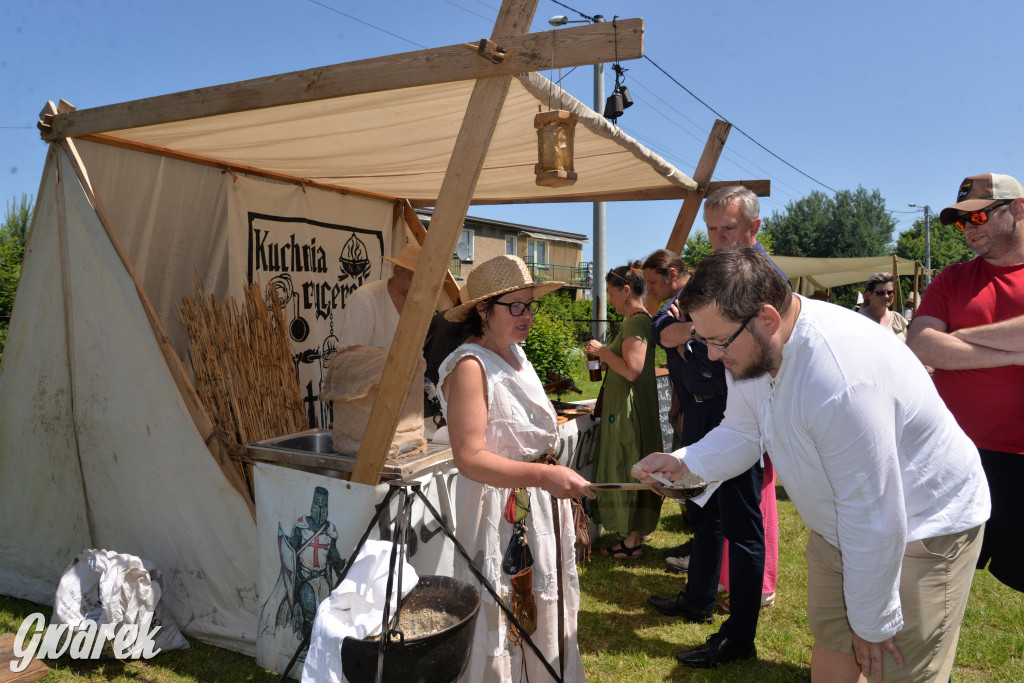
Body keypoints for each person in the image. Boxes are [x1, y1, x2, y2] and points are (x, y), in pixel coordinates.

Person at [634, 247, 990, 682]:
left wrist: (873, 623)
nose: (709, 356)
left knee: (898, 669)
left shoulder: (841, 377)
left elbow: (873, 514)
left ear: (767, 319)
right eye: (702, 339)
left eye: (717, 341)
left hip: (924, 523)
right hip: (843, 525)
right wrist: (683, 462)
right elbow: (744, 431)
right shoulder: (752, 344)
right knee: (834, 655)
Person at [437, 254, 594, 682]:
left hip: (535, 502)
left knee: (544, 606)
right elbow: (469, 458)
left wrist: (546, 476)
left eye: (530, 305)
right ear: (483, 310)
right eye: (516, 306)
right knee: (507, 610)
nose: (526, 315)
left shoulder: (517, 355)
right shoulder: (470, 366)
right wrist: (543, 475)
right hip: (499, 510)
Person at [645, 186, 779, 671]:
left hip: (739, 413)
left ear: (753, 229)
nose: (719, 238)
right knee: (704, 514)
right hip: (706, 411)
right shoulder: (711, 273)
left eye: (729, 229)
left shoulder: (763, 282)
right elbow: (663, 329)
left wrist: (693, 333)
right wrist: (690, 332)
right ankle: (699, 597)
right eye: (713, 229)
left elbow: (687, 332)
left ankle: (740, 632)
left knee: (742, 525)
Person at [908, 172, 1024, 594]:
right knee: (935, 575)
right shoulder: (954, 278)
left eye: (978, 218)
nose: (968, 230)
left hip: (1019, 459)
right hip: (954, 454)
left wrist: (960, 337)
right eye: (962, 222)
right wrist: (1012, 354)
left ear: (1018, 209)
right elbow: (921, 344)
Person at [584, 262, 663, 560]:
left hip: (628, 412)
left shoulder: (635, 322)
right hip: (627, 408)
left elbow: (632, 370)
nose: (609, 298)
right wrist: (606, 360)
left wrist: (602, 351)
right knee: (631, 465)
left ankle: (632, 542)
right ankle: (632, 537)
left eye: (610, 291)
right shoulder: (636, 321)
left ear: (626, 291)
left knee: (628, 464)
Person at [337, 241, 419, 348]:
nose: (417, 288)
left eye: (421, 284)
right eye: (412, 280)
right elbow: (351, 354)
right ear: (397, 271)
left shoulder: (416, 305)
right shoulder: (365, 298)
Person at [859, 272, 909, 340]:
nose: (886, 296)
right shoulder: (860, 320)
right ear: (868, 295)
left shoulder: (897, 319)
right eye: (880, 293)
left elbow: (908, 347)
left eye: (890, 292)